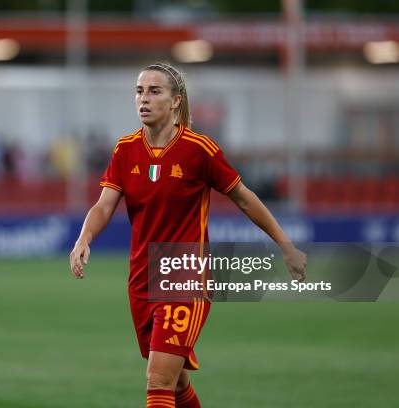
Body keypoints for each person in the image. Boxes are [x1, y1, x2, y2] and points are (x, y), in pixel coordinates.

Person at [69, 62, 307, 408]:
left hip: (185, 276)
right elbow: (104, 206)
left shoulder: (199, 149)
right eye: (139, 91)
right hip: (141, 278)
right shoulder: (125, 150)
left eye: (154, 91)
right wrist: (84, 238)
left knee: (158, 380)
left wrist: (285, 245)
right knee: (177, 381)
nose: (144, 99)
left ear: (176, 100)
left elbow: (244, 198)